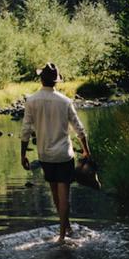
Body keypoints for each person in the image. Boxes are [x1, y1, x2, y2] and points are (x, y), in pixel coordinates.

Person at [20, 61, 90, 243]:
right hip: (64, 154)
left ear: (41, 79)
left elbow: (25, 129)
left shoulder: (31, 101)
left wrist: (23, 154)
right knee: (64, 195)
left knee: (55, 194)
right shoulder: (65, 102)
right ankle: (63, 233)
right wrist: (86, 150)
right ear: (56, 81)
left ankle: (65, 228)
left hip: (45, 155)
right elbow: (79, 129)